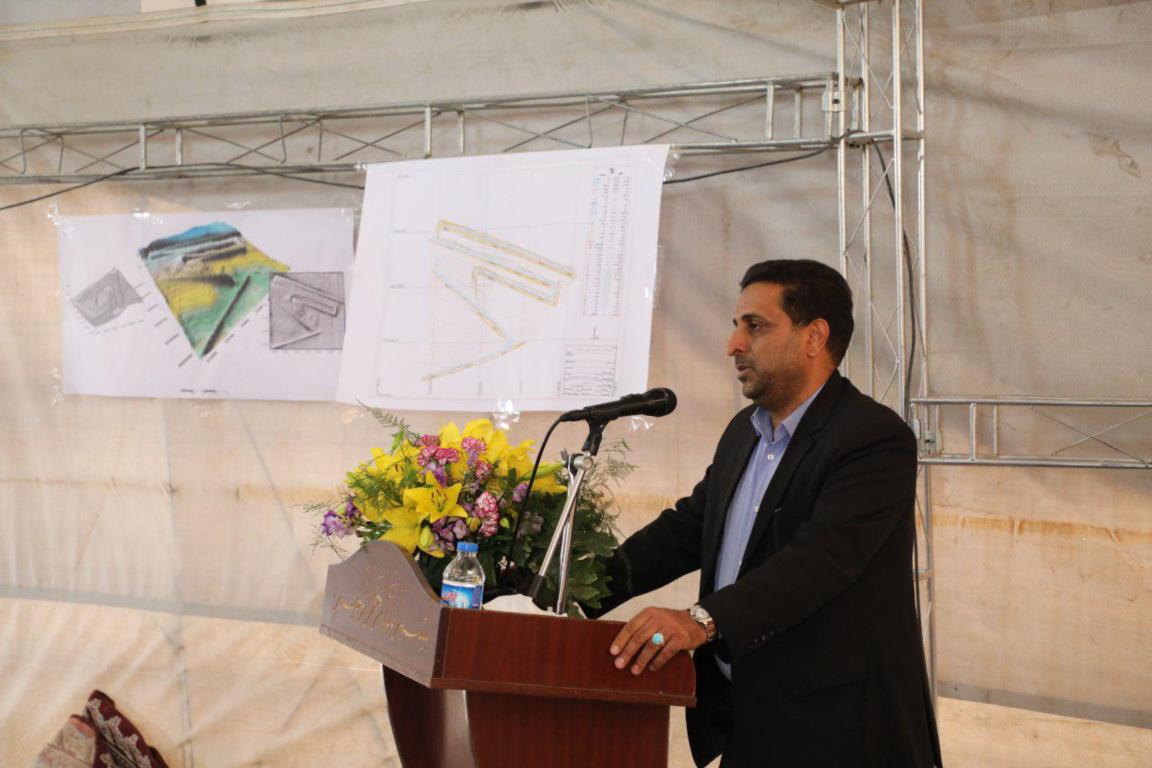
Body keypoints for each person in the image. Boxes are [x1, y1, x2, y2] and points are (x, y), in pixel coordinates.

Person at [597, 259, 943, 767]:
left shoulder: (872, 438)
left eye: (755, 326)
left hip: (842, 730)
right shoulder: (745, 431)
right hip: (752, 717)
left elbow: (820, 560)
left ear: (814, 336)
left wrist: (700, 621)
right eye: (736, 325)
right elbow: (690, 529)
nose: (733, 344)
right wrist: (580, 585)